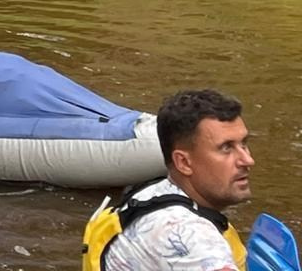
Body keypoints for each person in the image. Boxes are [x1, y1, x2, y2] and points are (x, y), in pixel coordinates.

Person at [82, 89, 253, 271]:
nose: (248, 160)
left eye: (244, 144)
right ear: (184, 162)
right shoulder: (190, 238)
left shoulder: (151, 193)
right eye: (226, 148)